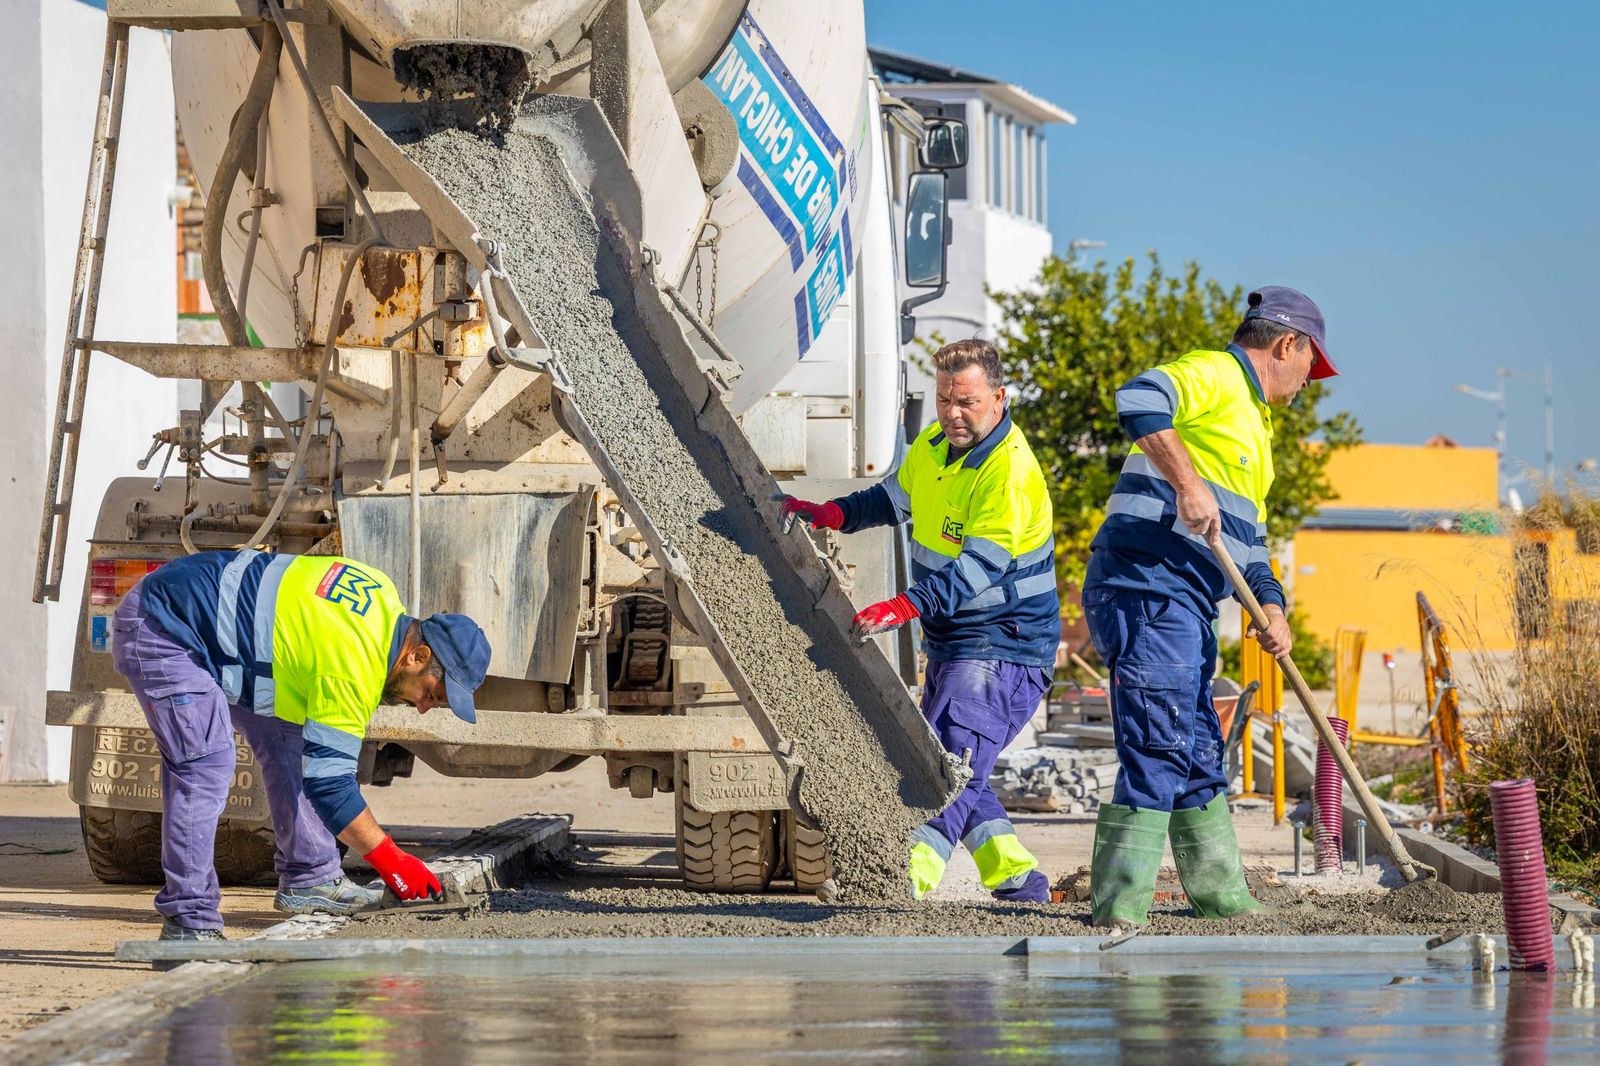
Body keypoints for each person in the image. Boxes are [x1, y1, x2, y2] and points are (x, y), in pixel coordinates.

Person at [1081, 286, 1339, 929]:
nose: (1311, 381)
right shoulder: (1218, 374)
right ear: (1288, 346)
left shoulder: (1256, 430)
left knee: (1198, 751)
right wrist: (1187, 485)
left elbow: (1248, 546)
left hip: (1188, 601)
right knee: (1160, 740)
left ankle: (1222, 899)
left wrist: (1272, 608)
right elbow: (1138, 397)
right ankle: (1119, 909)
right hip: (1147, 585)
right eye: (1313, 365)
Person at [780, 339, 1060, 902]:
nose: (954, 414)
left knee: (948, 766)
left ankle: (902, 880)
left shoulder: (1008, 474)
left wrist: (901, 607)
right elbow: (894, 499)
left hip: (1004, 642)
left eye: (968, 402)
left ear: (1000, 398)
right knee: (958, 763)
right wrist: (835, 513)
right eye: (944, 400)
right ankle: (1020, 883)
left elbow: (976, 572)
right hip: (956, 639)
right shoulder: (934, 445)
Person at [111, 549, 491, 941]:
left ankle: (311, 878)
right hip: (163, 627)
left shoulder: (383, 600)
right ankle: (188, 921)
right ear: (417, 655)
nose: (425, 708)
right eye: (433, 693)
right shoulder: (352, 665)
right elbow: (331, 787)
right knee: (204, 765)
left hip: (214, 626)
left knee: (290, 741)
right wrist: (392, 860)